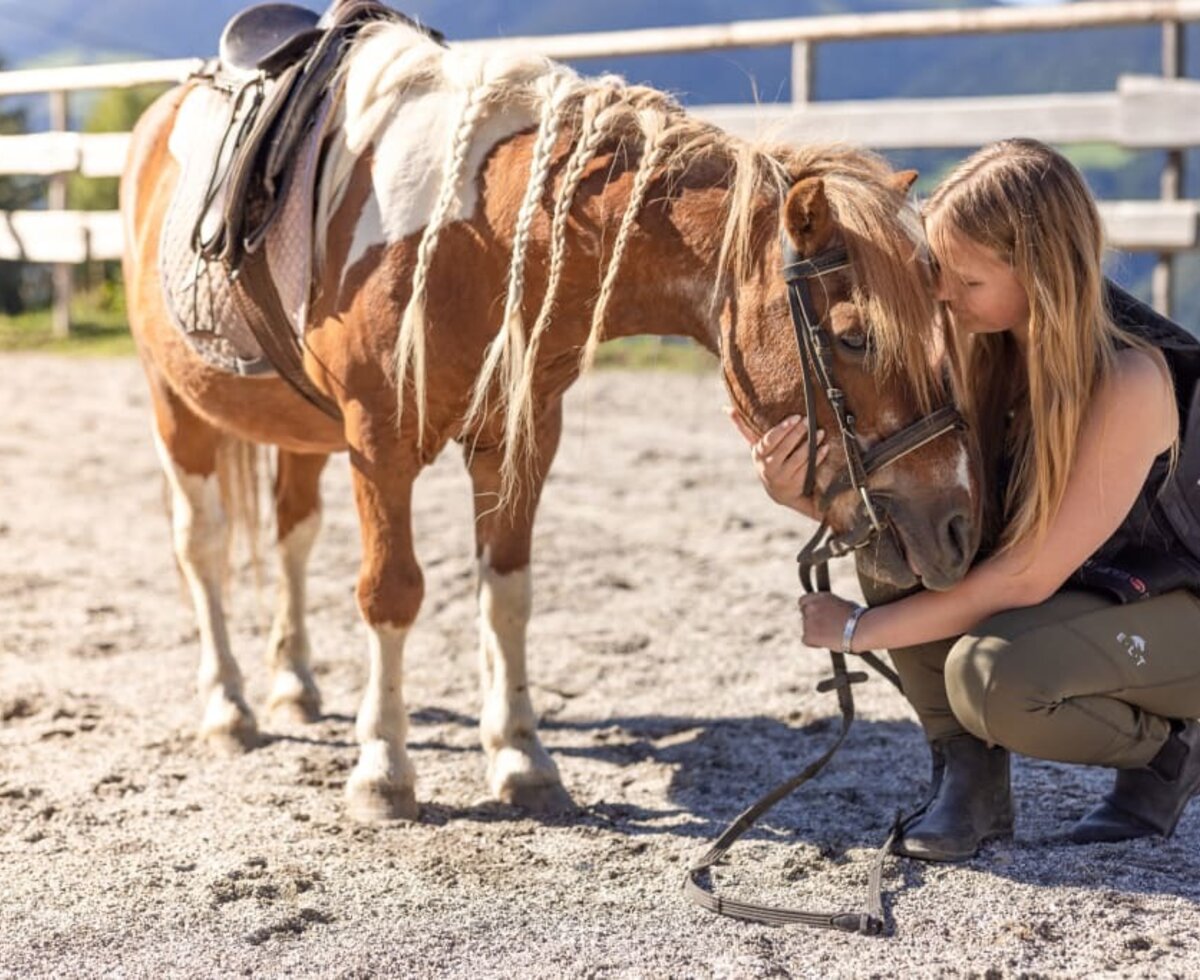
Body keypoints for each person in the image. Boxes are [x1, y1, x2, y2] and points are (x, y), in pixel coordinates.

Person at [731, 138, 1200, 861]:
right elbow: (942, 518)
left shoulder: (1131, 378)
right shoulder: (976, 345)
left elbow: (1026, 577)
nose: (945, 294)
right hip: (1103, 592)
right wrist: (803, 497)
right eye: (940, 272)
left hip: (1180, 607)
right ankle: (971, 784)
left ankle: (1170, 754)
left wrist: (855, 631)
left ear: (1039, 273)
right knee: (899, 538)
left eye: (968, 281)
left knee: (996, 680)